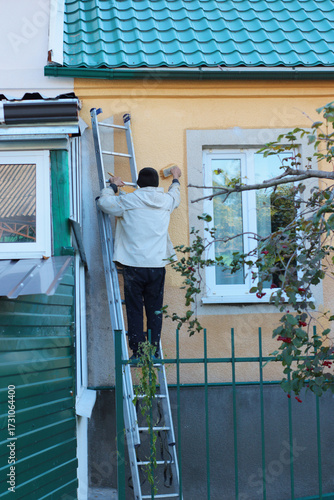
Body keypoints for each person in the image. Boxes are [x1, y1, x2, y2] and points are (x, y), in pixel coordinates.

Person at [97, 166, 181, 358]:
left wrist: (112, 186)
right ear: (157, 184)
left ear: (139, 184)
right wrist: (175, 178)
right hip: (157, 266)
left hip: (134, 265)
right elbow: (175, 195)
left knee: (135, 309)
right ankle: (154, 349)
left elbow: (104, 203)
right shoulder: (166, 201)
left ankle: (138, 351)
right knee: (155, 310)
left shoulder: (127, 201)